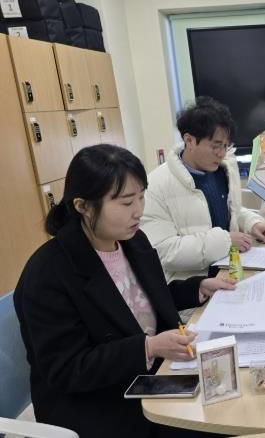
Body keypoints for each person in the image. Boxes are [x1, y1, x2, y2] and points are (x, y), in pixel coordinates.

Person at [14, 144, 236, 438]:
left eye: (141, 197)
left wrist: (197, 287)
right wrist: (148, 348)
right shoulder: (49, 273)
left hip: (152, 376)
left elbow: (142, 302)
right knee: (216, 426)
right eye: (126, 202)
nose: (138, 211)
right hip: (99, 402)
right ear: (83, 206)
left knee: (230, 398)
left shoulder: (133, 241)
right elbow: (67, 368)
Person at [141, 96, 265, 283]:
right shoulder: (156, 186)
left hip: (230, 272)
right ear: (189, 141)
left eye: (225, 146)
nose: (221, 154)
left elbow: (229, 212)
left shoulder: (222, 170)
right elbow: (164, 252)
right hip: (192, 288)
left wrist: (252, 224)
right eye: (215, 146)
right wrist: (225, 242)